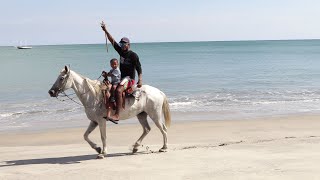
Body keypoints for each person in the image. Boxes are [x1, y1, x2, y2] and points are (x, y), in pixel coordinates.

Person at [101, 21, 143, 121]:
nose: (123, 46)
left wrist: (140, 79)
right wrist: (106, 30)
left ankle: (117, 115)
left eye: (124, 44)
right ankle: (109, 108)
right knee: (109, 87)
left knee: (119, 90)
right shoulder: (121, 51)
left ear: (129, 44)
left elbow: (139, 67)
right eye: (122, 44)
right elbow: (112, 41)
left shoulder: (133, 55)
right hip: (122, 78)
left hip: (130, 79)